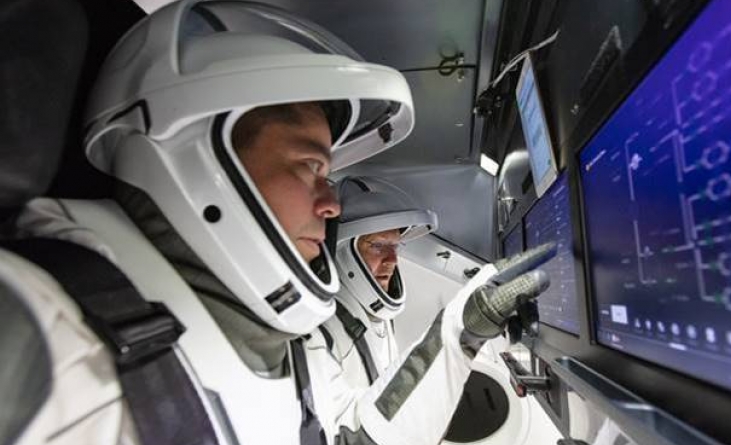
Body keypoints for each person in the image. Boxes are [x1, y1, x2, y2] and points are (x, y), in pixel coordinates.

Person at [7, 1, 555, 444]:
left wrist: (460, 330)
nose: (331, 205)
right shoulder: (36, 330)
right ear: (197, 160)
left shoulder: (287, 343)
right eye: (311, 166)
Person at [319, 176, 439, 389]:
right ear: (342, 250)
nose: (392, 260)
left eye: (395, 246)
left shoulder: (379, 316)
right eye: (377, 246)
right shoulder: (326, 331)